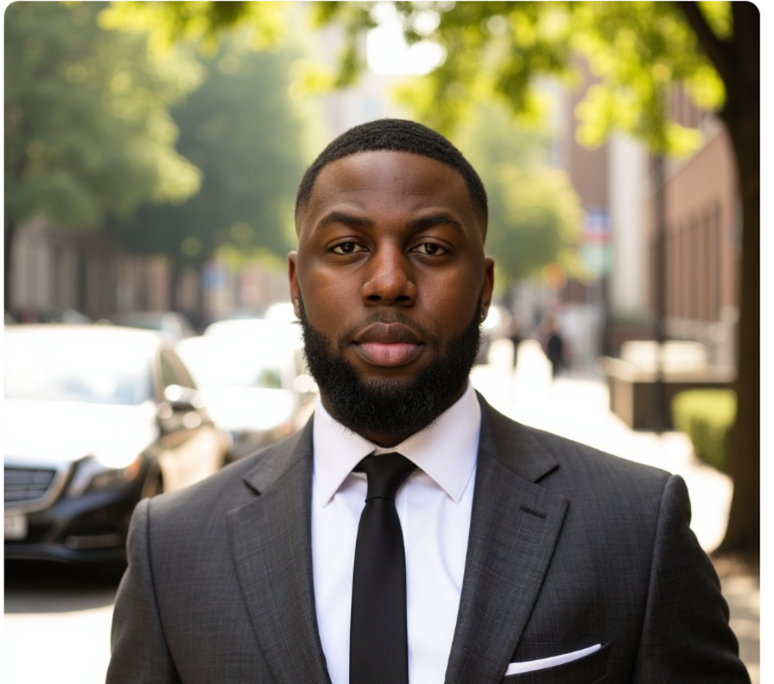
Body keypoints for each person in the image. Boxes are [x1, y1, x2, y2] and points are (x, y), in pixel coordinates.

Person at [107, 119, 749, 684]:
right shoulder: (173, 548)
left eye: (433, 248)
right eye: (347, 247)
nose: (389, 282)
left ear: (484, 288)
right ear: (297, 286)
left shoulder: (636, 528)